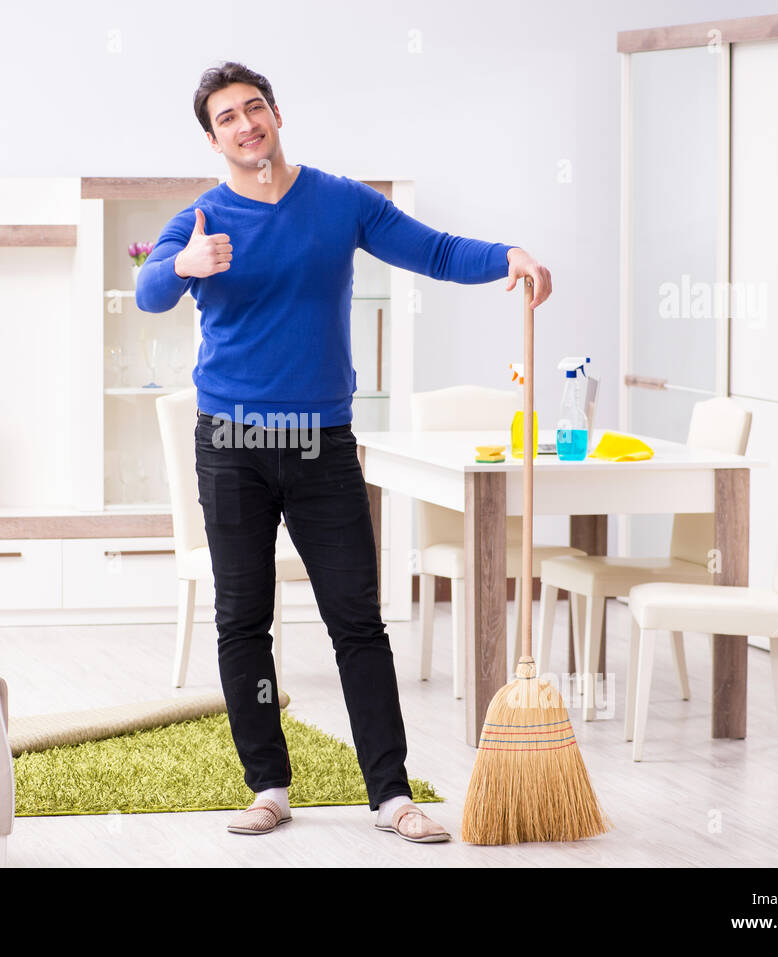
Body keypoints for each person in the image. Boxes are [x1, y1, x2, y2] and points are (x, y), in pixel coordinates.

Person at [136, 61, 552, 843]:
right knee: (242, 621)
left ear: (276, 113)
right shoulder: (199, 219)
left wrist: (510, 257)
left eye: (254, 108)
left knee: (357, 618)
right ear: (212, 137)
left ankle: (389, 794)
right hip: (230, 446)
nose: (245, 124)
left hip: (322, 444)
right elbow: (150, 291)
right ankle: (268, 784)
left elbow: (435, 251)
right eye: (227, 117)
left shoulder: (339, 201)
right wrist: (182, 267)